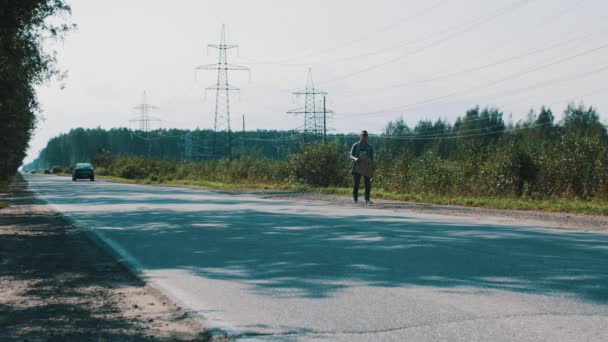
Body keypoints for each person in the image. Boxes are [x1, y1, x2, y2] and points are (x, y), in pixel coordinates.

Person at [350, 130, 374, 205]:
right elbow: (350, 155)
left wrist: (368, 161)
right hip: (357, 166)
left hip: (366, 168)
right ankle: (355, 198)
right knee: (356, 183)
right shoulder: (355, 145)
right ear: (360, 136)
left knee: (368, 184)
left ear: (367, 137)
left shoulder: (370, 147)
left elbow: (372, 159)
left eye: (366, 136)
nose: (364, 137)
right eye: (363, 136)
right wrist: (355, 159)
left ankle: (367, 199)